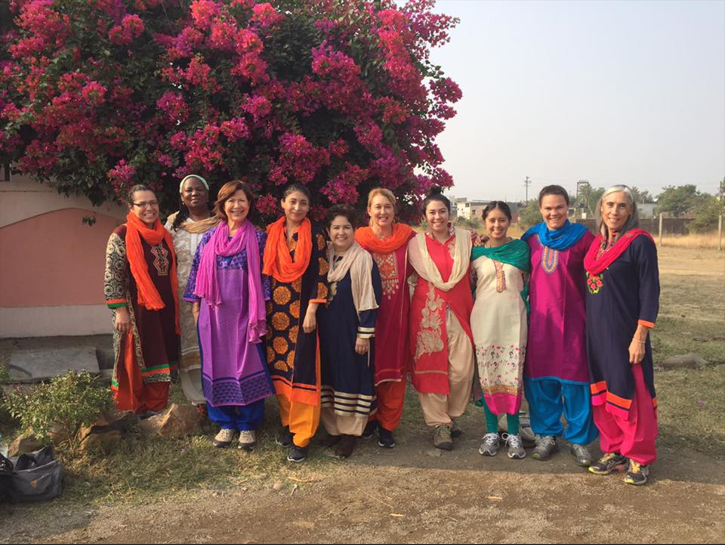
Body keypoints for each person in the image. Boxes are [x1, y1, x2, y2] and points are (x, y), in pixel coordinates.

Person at [184, 181, 275, 450]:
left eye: (242, 200)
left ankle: (248, 424)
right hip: (213, 313)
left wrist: (262, 309)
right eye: (231, 201)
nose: (237, 206)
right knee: (215, 363)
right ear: (223, 205)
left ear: (249, 205)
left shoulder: (258, 238)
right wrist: (195, 303)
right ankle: (224, 422)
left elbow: (265, 277)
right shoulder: (210, 238)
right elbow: (197, 270)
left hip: (246, 312)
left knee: (247, 364)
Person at [585, 185, 660, 486]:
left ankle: (639, 457)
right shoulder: (597, 245)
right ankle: (614, 449)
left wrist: (640, 336)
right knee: (605, 392)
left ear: (632, 211)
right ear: (600, 208)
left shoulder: (639, 243)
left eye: (622, 206)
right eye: (609, 205)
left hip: (626, 333)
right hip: (597, 331)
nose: (614, 211)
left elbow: (650, 290)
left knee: (632, 391)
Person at [522, 185, 599, 467]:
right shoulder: (531, 238)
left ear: (568, 207)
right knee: (540, 380)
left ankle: (578, 440)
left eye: (559, 207)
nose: (554, 213)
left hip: (575, 322)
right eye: (548, 208)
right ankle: (547, 435)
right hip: (540, 323)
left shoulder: (583, 238)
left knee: (576, 381)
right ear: (540, 209)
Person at [263, 184, 329, 463]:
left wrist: (313, 310)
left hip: (303, 315)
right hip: (274, 314)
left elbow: (322, 273)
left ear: (309, 207)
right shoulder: (271, 232)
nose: (297, 208)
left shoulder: (316, 234)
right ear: (282, 203)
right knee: (280, 370)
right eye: (293, 202)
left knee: (303, 372)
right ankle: (288, 423)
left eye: (303, 203)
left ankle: (302, 437)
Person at [408, 186, 475, 451]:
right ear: (425, 216)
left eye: (442, 211)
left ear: (450, 214)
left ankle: (452, 416)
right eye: (432, 212)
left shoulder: (467, 240)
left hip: (460, 310)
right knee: (431, 368)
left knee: (462, 369)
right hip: (427, 314)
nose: (437, 217)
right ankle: (440, 425)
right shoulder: (416, 244)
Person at [104, 184, 179, 417]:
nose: (149, 208)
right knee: (134, 357)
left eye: (153, 202)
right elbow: (112, 274)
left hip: (164, 308)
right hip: (135, 311)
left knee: (160, 352)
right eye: (142, 203)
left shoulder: (164, 235)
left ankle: (156, 407)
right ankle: (132, 409)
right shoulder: (121, 235)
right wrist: (120, 310)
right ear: (131, 207)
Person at [318, 205, 382, 458]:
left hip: (352, 333)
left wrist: (364, 334)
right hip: (326, 333)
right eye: (336, 227)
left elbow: (371, 298)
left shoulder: (363, 259)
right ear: (328, 230)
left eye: (347, 227)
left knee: (351, 378)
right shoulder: (325, 257)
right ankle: (332, 430)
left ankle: (350, 434)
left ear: (355, 230)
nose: (341, 232)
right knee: (329, 378)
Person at [355, 188, 415, 448]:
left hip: (397, 316)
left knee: (393, 370)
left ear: (394, 210)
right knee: (366, 367)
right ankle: (368, 419)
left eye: (387, 207)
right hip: (364, 314)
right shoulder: (358, 238)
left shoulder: (408, 238)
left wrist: (467, 237)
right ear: (369, 210)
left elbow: (435, 249)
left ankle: (387, 425)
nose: (382, 212)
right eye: (377, 207)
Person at [471, 202, 530, 460]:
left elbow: (529, 284)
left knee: (513, 377)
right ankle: (492, 432)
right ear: (485, 222)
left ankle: (514, 433)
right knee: (488, 376)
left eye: (502, 220)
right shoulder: (475, 254)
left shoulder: (521, 250)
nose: (497, 225)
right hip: (484, 321)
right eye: (492, 220)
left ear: (510, 221)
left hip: (514, 322)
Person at [165, 174, 220, 419]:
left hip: (216, 296)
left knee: (215, 344)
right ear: (182, 197)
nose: (194, 193)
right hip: (184, 297)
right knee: (189, 345)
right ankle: (197, 399)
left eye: (199, 189)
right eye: (189, 190)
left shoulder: (222, 223)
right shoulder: (172, 226)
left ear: (208, 195)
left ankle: (218, 394)